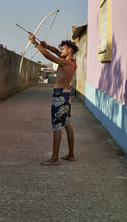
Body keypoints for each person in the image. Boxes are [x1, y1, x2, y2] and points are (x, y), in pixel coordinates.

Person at [29, 33, 78, 166]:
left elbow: (50, 56)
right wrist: (47, 46)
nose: (60, 50)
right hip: (66, 94)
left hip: (60, 95)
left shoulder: (65, 62)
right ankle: (71, 154)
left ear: (70, 51)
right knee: (67, 123)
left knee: (57, 126)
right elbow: (55, 52)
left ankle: (54, 159)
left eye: (63, 48)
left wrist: (36, 44)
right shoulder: (72, 62)